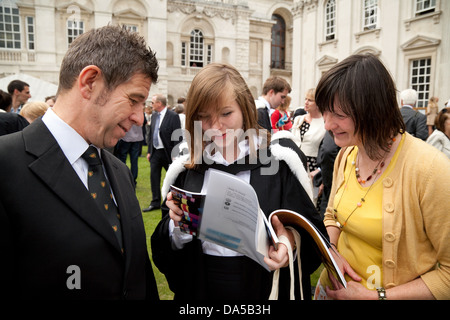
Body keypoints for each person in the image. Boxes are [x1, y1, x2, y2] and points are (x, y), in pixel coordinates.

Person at [0, 25, 159, 299]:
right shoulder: (5, 165)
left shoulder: (119, 171)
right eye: (133, 100)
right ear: (89, 82)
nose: (139, 118)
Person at [151, 63, 325, 300]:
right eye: (204, 117)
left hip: (262, 284)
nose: (215, 126)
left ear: (244, 109)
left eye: (225, 113)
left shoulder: (277, 166)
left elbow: (310, 231)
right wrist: (178, 227)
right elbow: (163, 253)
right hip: (202, 284)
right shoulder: (186, 172)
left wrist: (288, 243)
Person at [313, 53, 450, 300]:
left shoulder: (431, 170)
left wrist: (374, 296)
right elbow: (333, 214)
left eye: (339, 115)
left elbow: (447, 274)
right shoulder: (347, 155)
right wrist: (331, 250)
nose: (327, 124)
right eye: (325, 112)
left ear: (373, 110)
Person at [142, 93, 182, 213]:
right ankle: (155, 202)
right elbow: (151, 134)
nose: (151, 105)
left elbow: (177, 135)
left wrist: (176, 153)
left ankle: (174, 199)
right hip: (155, 152)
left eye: (153, 102)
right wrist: (149, 151)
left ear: (159, 103)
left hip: (168, 153)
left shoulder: (173, 116)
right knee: (154, 177)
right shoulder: (154, 116)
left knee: (172, 178)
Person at [292, 88, 326, 208]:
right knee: (294, 199)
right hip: (295, 163)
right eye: (305, 99)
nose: (306, 102)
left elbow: (327, 151)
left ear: (318, 104)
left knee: (312, 201)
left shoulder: (325, 123)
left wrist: (319, 171)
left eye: (310, 100)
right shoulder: (298, 119)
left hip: (313, 168)